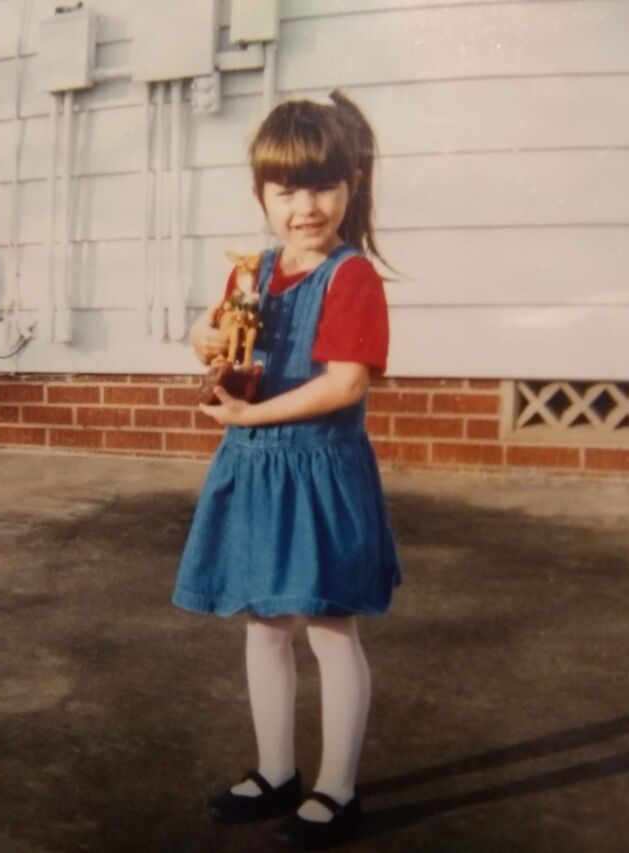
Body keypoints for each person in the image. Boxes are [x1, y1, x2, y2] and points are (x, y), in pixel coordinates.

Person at [172, 90, 401, 850]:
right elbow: (219, 337)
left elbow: (344, 385)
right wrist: (202, 336)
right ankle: (277, 771)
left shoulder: (351, 277)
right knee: (265, 624)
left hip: (320, 476)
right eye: (287, 191)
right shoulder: (256, 272)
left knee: (331, 629)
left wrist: (250, 417)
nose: (307, 208)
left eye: (324, 187)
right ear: (261, 196)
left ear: (351, 187)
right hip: (257, 476)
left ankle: (338, 788)